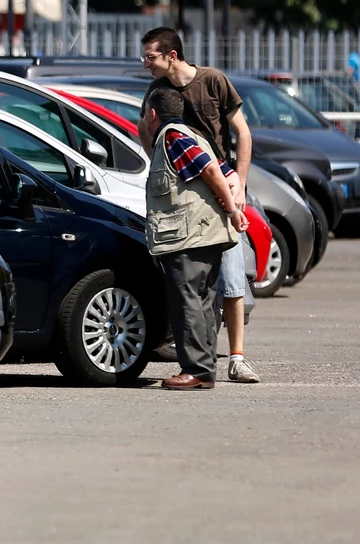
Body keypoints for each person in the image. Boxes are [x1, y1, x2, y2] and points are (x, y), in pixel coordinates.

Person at [137, 26, 261, 384]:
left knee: (228, 281)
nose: (145, 63)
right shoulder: (157, 91)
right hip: (196, 193)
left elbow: (243, 134)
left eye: (150, 56)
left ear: (171, 55)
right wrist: (163, 160)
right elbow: (144, 129)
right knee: (201, 287)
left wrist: (238, 188)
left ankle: (235, 357)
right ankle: (204, 364)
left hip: (222, 186)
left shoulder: (212, 80)